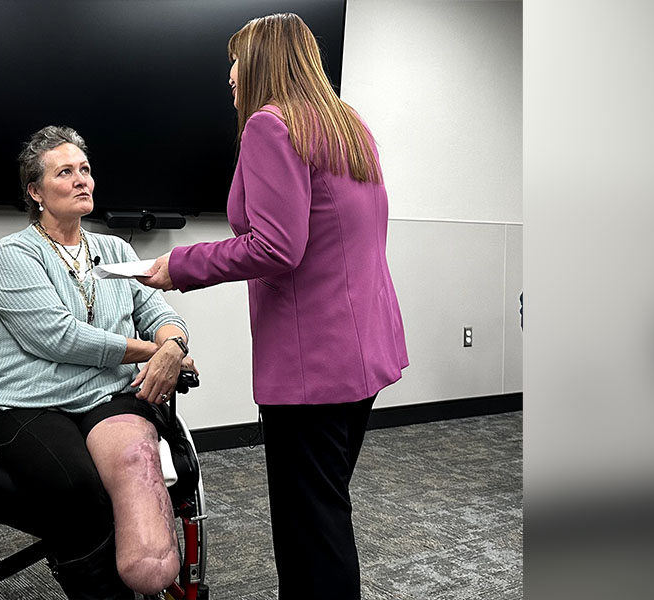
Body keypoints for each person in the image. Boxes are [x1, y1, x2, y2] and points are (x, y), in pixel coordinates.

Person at [138, 13, 408, 600]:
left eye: (235, 60)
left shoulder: (269, 126)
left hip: (313, 365)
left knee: (310, 528)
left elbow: (277, 247)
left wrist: (179, 266)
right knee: (326, 508)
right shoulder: (347, 126)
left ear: (261, 60)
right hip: (365, 353)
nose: (229, 75)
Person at [0, 125, 196, 599]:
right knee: (80, 485)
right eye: (65, 173)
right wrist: (152, 351)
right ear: (35, 192)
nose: (82, 180)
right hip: (28, 402)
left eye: (85, 170)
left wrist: (174, 344)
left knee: (136, 458)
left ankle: (149, 579)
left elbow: (159, 313)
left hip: (104, 397)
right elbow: (59, 337)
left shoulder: (115, 250)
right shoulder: (14, 253)